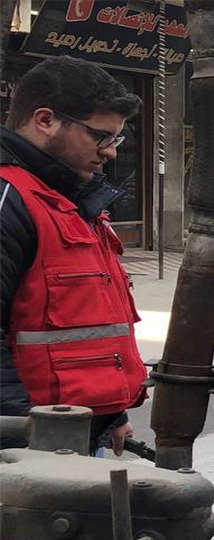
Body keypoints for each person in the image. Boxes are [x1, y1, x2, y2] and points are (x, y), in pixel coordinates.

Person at [0, 56, 149, 456]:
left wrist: (112, 415)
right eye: (101, 137)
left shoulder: (70, 199)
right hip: (33, 447)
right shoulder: (9, 198)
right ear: (45, 120)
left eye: (116, 140)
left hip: (74, 434)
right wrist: (20, 445)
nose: (110, 152)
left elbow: (87, 321)